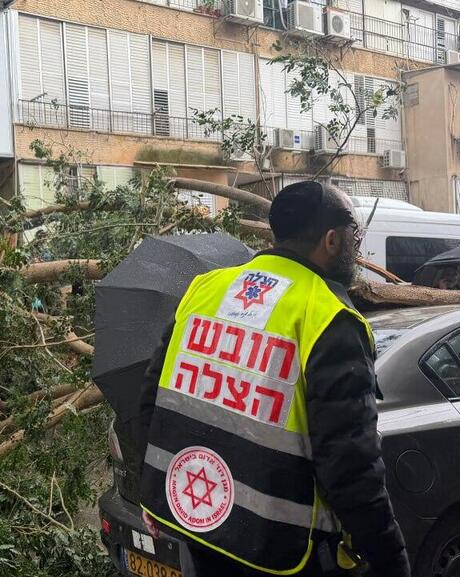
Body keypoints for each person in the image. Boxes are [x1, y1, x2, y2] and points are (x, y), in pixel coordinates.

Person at [137, 181, 411, 577]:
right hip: (281, 549)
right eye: (356, 235)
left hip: (202, 524)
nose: (358, 246)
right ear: (331, 240)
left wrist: (155, 494)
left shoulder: (206, 288)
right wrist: (392, 561)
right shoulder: (329, 318)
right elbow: (350, 463)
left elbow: (151, 399)